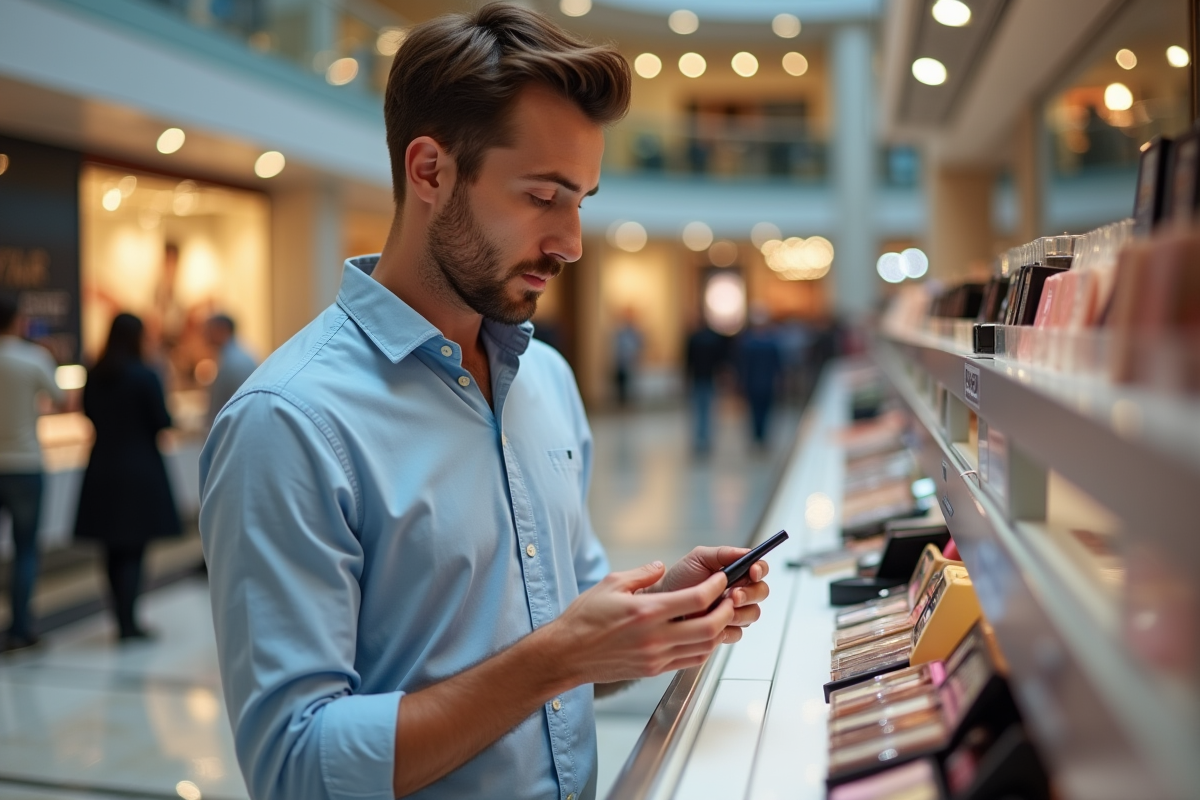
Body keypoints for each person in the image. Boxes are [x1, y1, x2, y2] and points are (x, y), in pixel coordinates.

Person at [199, 6, 772, 800]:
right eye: (543, 196)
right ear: (429, 170)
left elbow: (568, 645)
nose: (572, 241)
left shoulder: (548, 380)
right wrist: (560, 657)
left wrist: (650, 614)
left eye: (581, 201)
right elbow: (297, 768)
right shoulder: (289, 423)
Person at [75, 313, 180, 640]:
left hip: (102, 466)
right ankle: (129, 621)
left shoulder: (95, 374)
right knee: (134, 547)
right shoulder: (145, 375)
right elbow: (161, 419)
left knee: (111, 548)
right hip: (140, 469)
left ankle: (119, 618)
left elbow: (87, 413)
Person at [0, 294, 64, 652]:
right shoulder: (33, 358)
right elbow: (60, 397)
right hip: (24, 464)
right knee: (25, 551)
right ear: (17, 320)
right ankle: (20, 628)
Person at [736, 307, 783, 448]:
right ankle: (760, 437)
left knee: (758, 411)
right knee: (760, 411)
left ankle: (759, 437)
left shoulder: (749, 343)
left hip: (756, 383)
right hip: (761, 383)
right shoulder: (768, 343)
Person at [203, 313, 258, 428]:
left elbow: (217, 408)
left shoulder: (231, 362)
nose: (206, 335)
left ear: (222, 329)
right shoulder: (241, 355)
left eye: (210, 329)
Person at [684, 322, 728, 454]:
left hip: (698, 378)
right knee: (707, 410)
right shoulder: (713, 339)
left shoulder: (694, 339)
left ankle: (700, 439)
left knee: (699, 410)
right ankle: (705, 438)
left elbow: (688, 361)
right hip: (709, 378)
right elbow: (720, 361)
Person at [611, 308, 643, 407]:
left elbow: (638, 345)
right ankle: (622, 402)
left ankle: (628, 402)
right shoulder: (621, 332)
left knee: (630, 384)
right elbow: (618, 347)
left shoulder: (633, 332)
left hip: (630, 363)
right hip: (622, 363)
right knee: (622, 385)